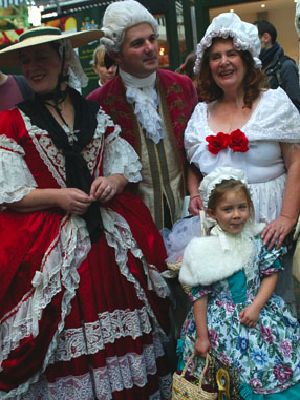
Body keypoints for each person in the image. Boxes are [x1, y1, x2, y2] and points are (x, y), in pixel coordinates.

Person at [0, 26, 172, 399]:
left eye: (42, 57)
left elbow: (123, 164)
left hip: (107, 243)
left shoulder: (94, 111)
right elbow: (9, 193)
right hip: (53, 246)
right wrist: (58, 197)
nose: (33, 67)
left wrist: (111, 181)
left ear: (63, 59)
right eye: (26, 60)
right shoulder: (12, 122)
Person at [184, 12, 300, 310]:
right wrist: (195, 193)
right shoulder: (201, 114)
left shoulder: (274, 104)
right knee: (229, 305)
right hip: (220, 227)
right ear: (207, 66)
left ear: (247, 59)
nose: (224, 62)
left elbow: (296, 162)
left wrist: (287, 218)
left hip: (268, 220)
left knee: (274, 304)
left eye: (232, 54)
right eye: (215, 56)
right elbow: (194, 166)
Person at [178, 166, 300, 399]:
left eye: (242, 207)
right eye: (228, 209)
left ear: (249, 208)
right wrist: (203, 336)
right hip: (220, 327)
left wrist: (256, 307)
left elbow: (270, 273)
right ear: (212, 213)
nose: (236, 215)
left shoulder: (257, 239)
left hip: (257, 313)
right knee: (224, 379)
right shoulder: (204, 249)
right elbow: (199, 296)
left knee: (264, 366)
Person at [87, 0, 198, 230]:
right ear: (116, 54)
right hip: (132, 221)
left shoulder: (183, 85)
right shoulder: (98, 102)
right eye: (138, 43)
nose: (149, 47)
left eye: (151, 38)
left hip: (187, 211)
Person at [254, 19, 300, 112]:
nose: (250, 44)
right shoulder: (255, 68)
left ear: (266, 37)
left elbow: (295, 106)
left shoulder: (286, 66)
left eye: (253, 39)